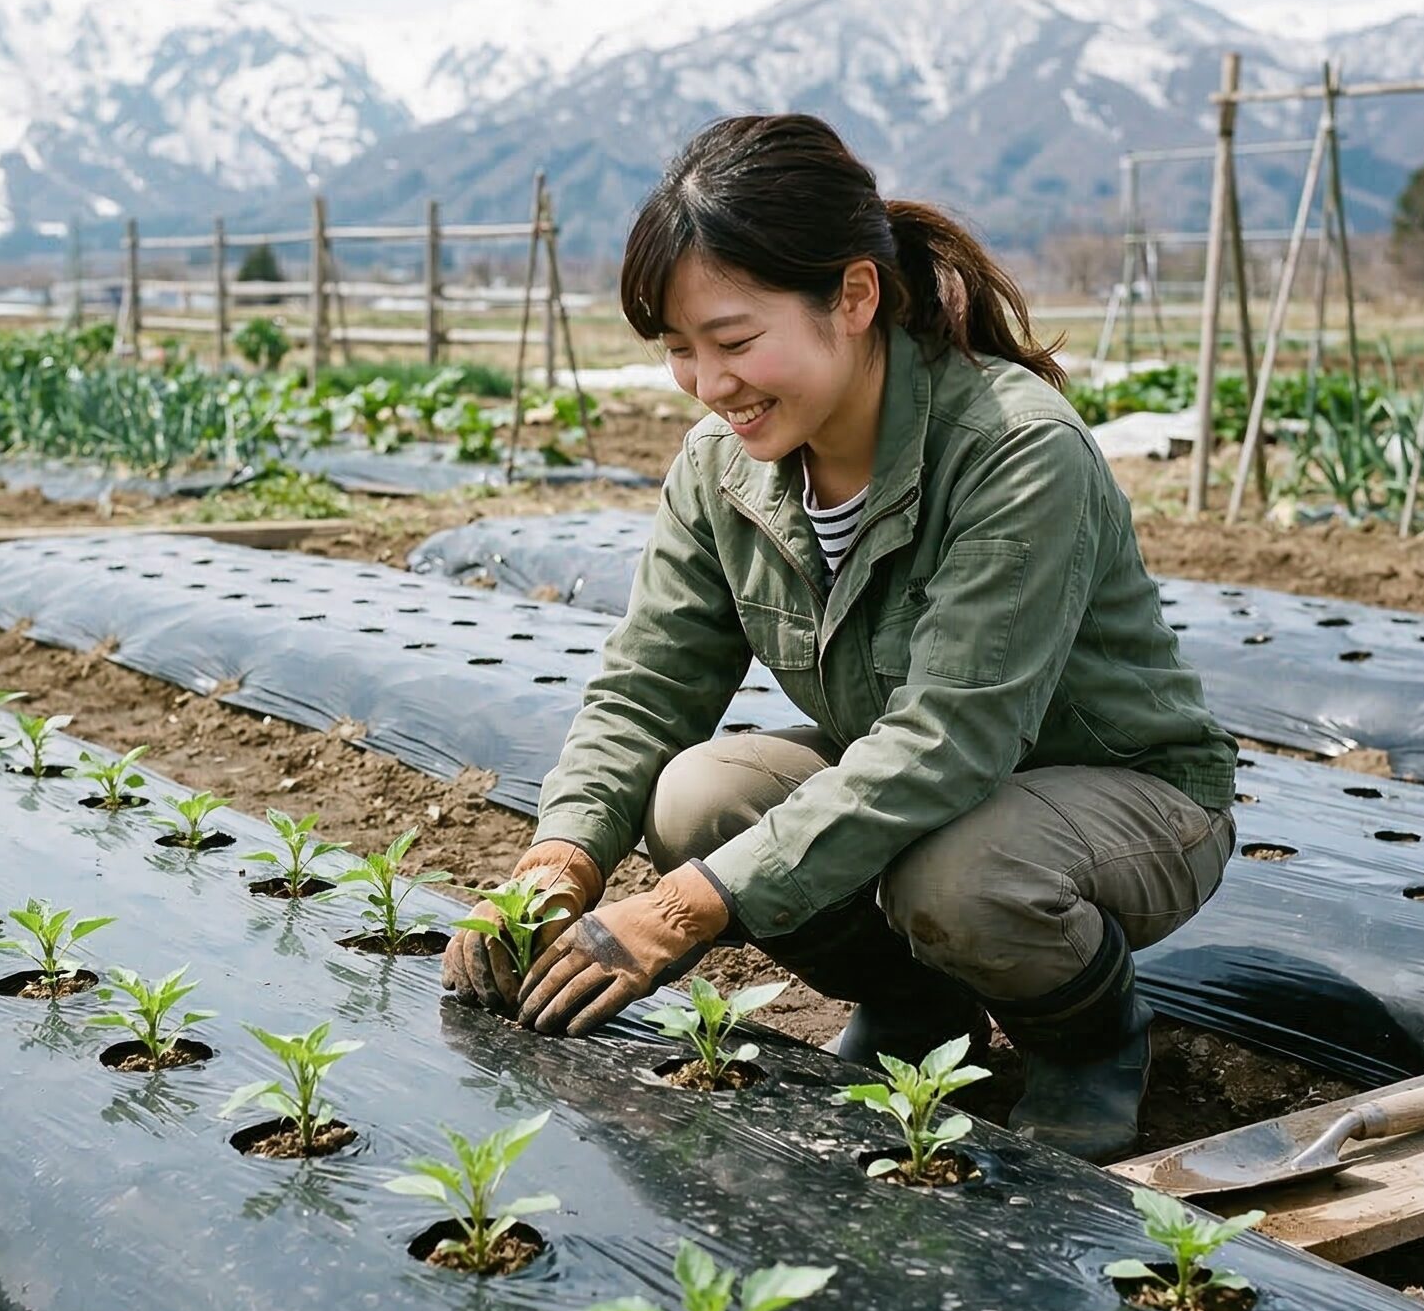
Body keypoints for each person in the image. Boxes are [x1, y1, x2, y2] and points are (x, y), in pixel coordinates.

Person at [441, 113, 1237, 1162]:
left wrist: (683, 908)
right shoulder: (723, 469)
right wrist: (559, 859)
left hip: (1125, 797)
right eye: (678, 350)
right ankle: (918, 1007)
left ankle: (1090, 1040)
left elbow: (951, 736)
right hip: (929, 786)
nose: (709, 383)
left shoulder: (1011, 451)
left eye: (733, 342)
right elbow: (647, 687)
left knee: (958, 875)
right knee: (696, 797)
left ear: (854, 298)